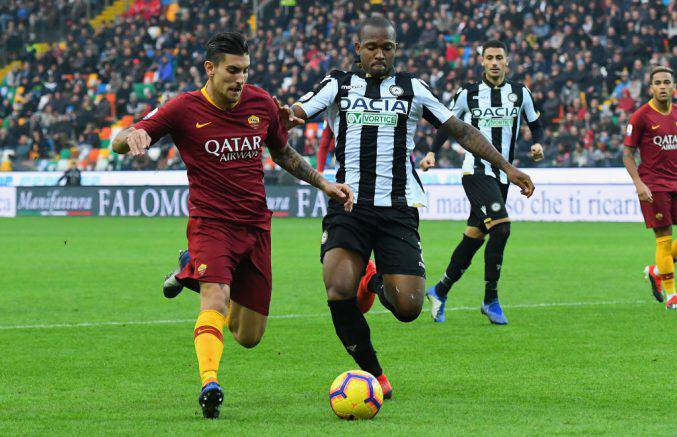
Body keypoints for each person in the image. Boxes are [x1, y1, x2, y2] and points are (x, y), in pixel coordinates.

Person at [288, 16, 534, 399]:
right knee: (338, 288)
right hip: (349, 204)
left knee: (408, 307)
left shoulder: (413, 88)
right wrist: (279, 114)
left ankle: (372, 279)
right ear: (358, 49)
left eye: (387, 47)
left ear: (395, 50)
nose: (379, 54)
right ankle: (375, 375)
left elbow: (462, 131)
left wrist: (507, 167)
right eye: (371, 47)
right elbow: (299, 112)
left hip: (398, 209)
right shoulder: (338, 83)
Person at [112, 32, 353, 419]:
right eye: (232, 70)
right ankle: (209, 382)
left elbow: (284, 153)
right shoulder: (181, 109)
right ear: (210, 69)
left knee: (249, 336)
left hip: (256, 226)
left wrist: (324, 182)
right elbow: (119, 143)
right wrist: (132, 135)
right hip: (211, 223)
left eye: (245, 70)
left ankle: (190, 267)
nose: (240, 79)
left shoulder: (260, 103)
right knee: (216, 297)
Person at [420, 40, 544, 325]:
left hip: (504, 177)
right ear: (482, 62)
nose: (495, 62)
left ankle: (440, 290)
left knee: (474, 237)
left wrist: (537, 145)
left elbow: (535, 123)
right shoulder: (469, 94)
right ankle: (491, 298)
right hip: (475, 171)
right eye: (489, 57)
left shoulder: (520, 92)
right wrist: (431, 152)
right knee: (501, 229)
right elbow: (446, 123)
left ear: (507, 61)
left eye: (499, 57)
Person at [623, 66, 677, 310]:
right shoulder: (641, 116)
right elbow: (627, 154)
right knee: (664, 239)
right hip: (654, 186)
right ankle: (672, 295)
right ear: (651, 88)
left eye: (667, 82)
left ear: (674, 87)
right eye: (658, 83)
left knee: (666, 248)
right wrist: (639, 183)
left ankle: (657, 270)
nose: (663, 86)